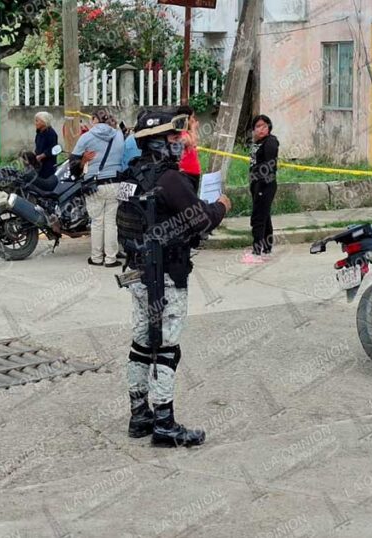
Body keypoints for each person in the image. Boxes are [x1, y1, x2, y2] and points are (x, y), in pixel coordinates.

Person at [116, 111, 231, 447]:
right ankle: (164, 423)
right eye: (173, 138)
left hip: (137, 271)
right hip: (164, 274)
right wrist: (222, 205)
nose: (181, 143)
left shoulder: (131, 175)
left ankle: (139, 415)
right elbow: (202, 220)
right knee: (166, 349)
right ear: (158, 142)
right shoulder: (169, 179)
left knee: (140, 344)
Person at [73, 109, 125, 267]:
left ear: (94, 119)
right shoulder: (118, 135)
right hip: (115, 183)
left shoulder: (86, 137)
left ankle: (96, 258)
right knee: (111, 223)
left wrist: (83, 162)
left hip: (94, 185)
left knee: (96, 222)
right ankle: (110, 259)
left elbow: (73, 165)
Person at [244, 114, 279, 264]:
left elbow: (270, 165)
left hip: (265, 183)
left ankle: (256, 251)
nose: (261, 129)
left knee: (258, 217)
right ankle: (266, 248)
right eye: (258, 126)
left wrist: (259, 178)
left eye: (264, 126)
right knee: (265, 216)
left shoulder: (270, 142)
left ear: (269, 127)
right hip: (256, 183)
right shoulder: (257, 142)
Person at [176, 105, 202, 193]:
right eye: (192, 117)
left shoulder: (187, 131)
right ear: (187, 118)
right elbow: (192, 143)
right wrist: (194, 128)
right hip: (186, 172)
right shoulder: (180, 132)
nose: (194, 120)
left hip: (193, 172)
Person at [33, 111, 59, 179]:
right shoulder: (39, 132)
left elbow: (53, 149)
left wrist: (41, 156)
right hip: (39, 164)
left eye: (37, 121)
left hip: (48, 164)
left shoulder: (51, 133)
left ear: (44, 121)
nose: (35, 123)